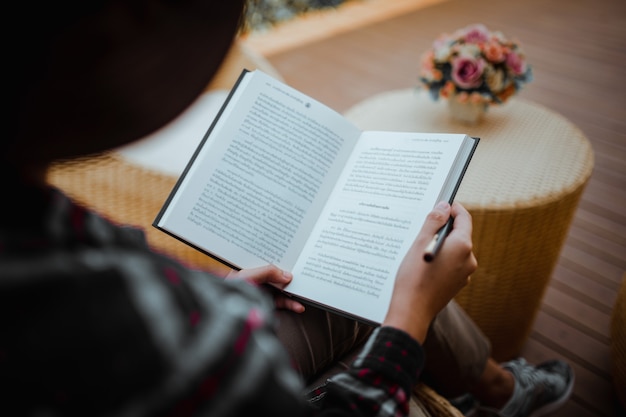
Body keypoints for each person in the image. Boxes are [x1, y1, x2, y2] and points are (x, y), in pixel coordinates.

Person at [0, 1, 573, 416]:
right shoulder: (122, 319)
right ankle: (495, 389)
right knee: (392, 286)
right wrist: (409, 322)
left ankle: (494, 388)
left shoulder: (49, 253)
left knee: (364, 280)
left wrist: (223, 295)